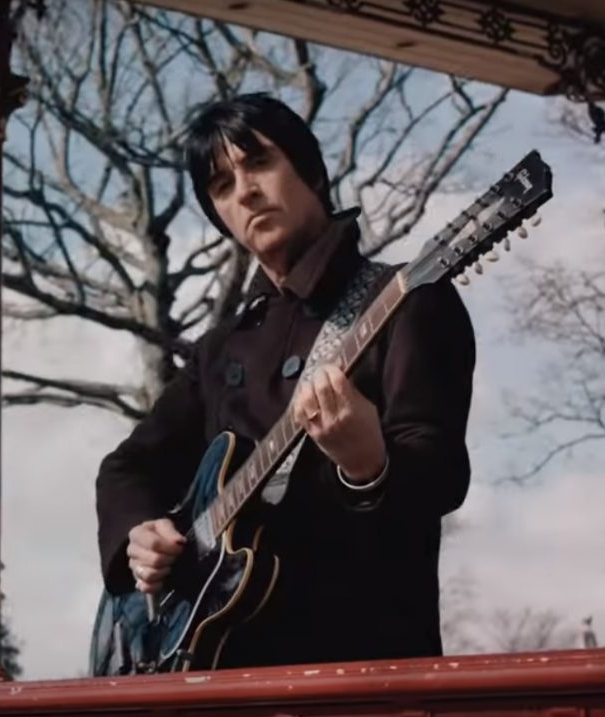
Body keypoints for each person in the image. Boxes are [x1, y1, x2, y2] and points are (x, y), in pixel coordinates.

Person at [95, 93, 475, 668]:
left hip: (362, 668)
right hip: (222, 672)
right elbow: (128, 467)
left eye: (259, 163)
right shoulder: (221, 348)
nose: (244, 192)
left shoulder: (407, 301)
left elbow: (442, 475)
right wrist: (138, 537)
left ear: (312, 171)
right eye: (222, 186)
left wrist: (369, 466)